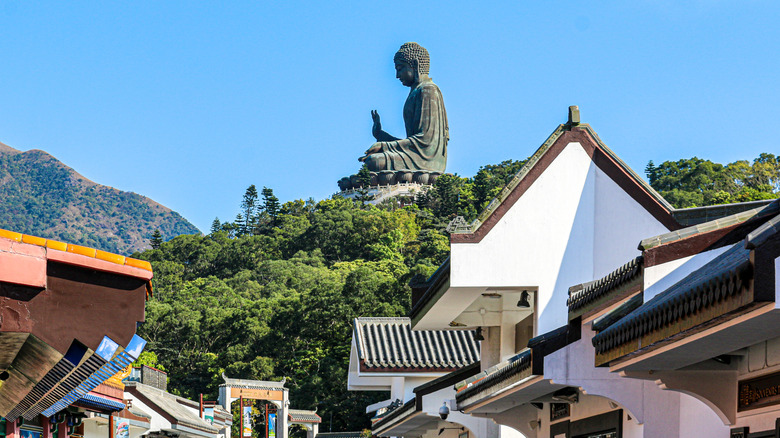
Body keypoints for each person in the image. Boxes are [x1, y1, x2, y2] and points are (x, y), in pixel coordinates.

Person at [359, 42, 449, 173]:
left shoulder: (428, 90)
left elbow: (425, 142)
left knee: (374, 162)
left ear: (415, 65)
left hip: (427, 161)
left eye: (400, 68)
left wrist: (384, 146)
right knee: (372, 162)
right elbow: (411, 143)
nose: (397, 75)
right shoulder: (416, 92)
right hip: (414, 156)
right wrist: (381, 135)